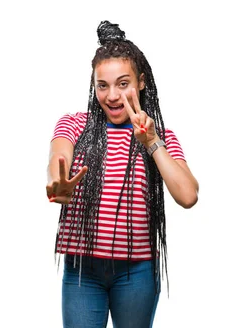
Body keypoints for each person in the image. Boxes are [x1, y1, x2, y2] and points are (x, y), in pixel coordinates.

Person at [46, 21, 198, 328]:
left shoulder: (162, 136)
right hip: (82, 271)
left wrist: (152, 143)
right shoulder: (75, 125)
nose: (112, 96)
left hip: (138, 272)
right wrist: (57, 183)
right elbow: (57, 159)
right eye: (103, 85)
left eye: (123, 83)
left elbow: (188, 195)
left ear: (141, 82)